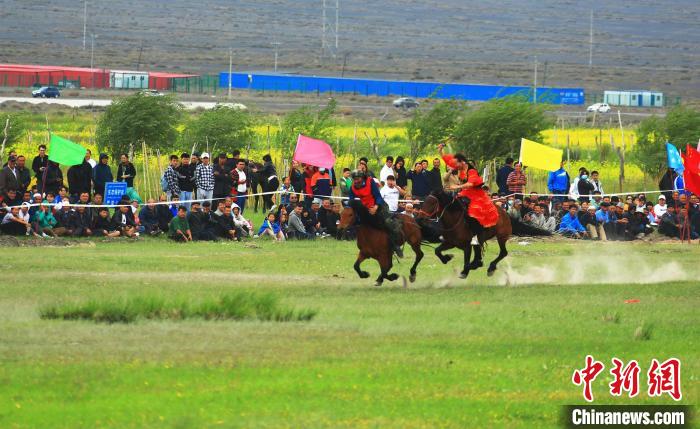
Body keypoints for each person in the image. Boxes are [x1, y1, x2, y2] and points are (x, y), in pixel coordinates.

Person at [439, 144, 500, 235]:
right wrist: (440, 150)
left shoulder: (471, 171)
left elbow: (470, 184)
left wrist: (456, 187)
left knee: (473, 212)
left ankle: (476, 233)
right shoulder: (458, 164)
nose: (454, 166)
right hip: (465, 192)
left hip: (476, 194)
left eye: (456, 164)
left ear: (462, 162)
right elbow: (445, 158)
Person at [347, 169, 403, 257]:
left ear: (362, 178)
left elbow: (378, 196)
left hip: (380, 206)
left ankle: (395, 245)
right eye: (354, 179)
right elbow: (351, 200)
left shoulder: (370, 182)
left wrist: (376, 207)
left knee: (387, 222)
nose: (356, 181)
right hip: (366, 208)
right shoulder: (352, 187)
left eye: (358, 179)